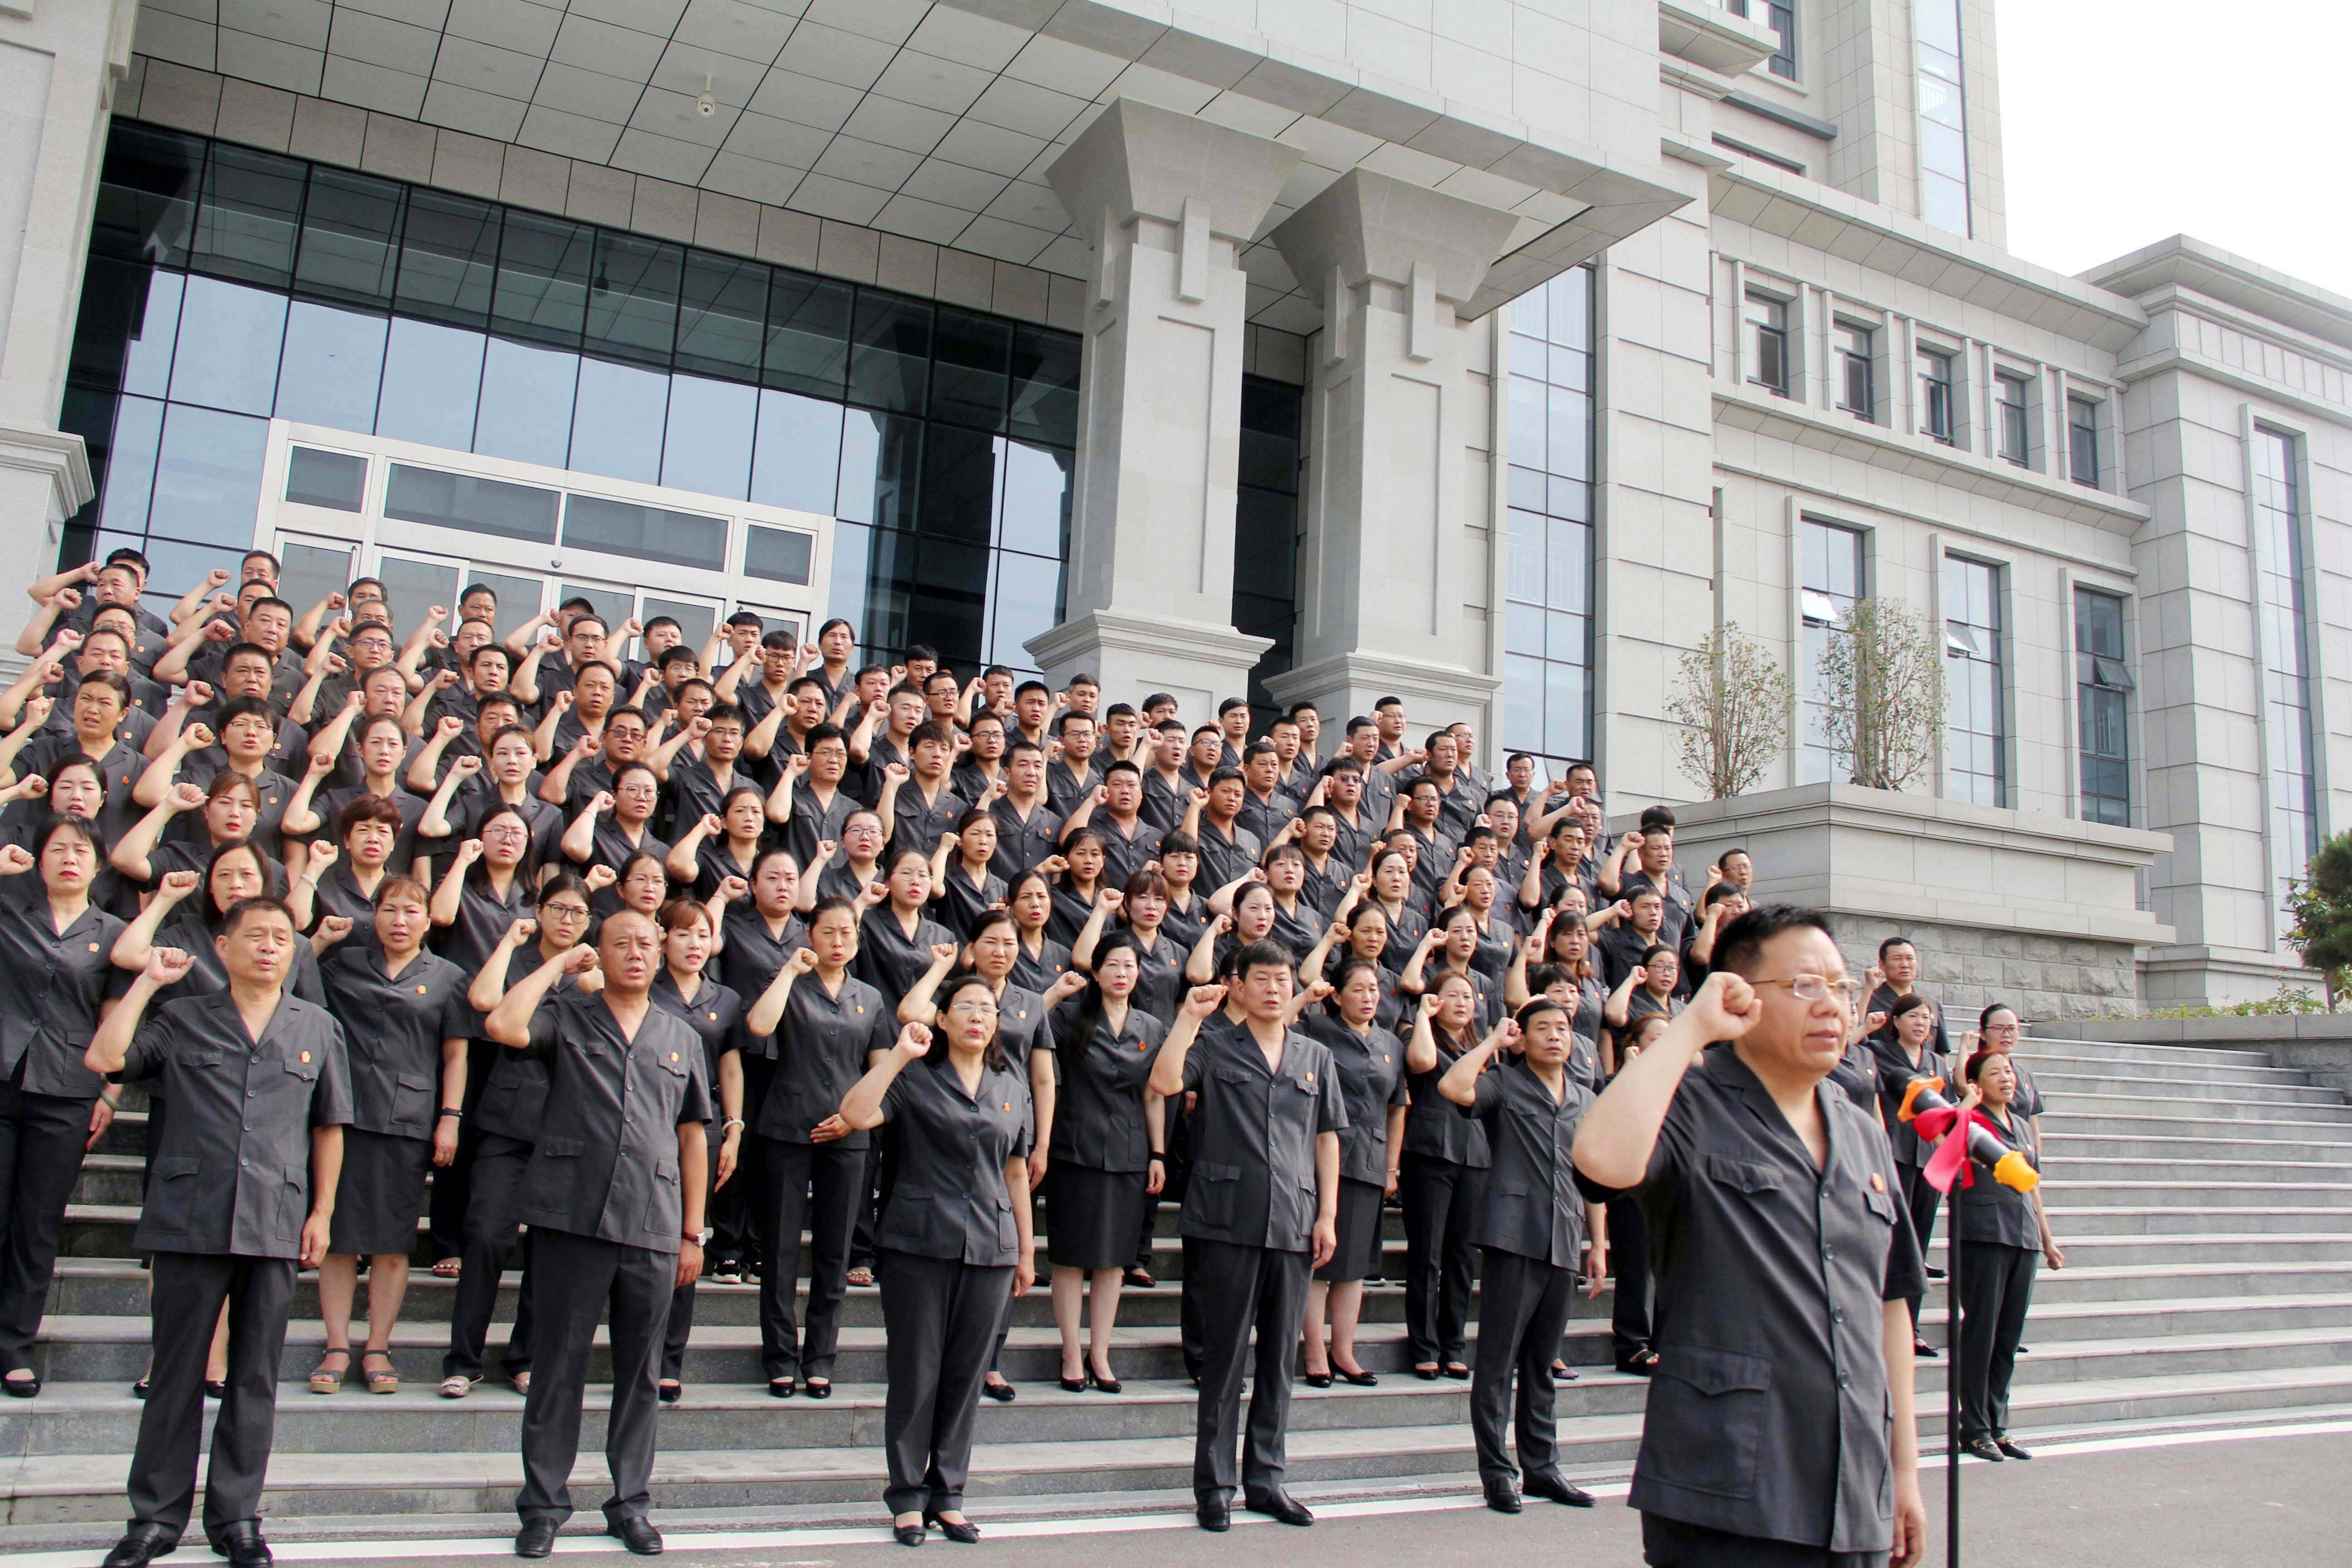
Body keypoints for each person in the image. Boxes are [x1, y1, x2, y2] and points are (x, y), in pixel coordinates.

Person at [1571, 905, 1928, 1568]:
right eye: (1804, 986)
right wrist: (1689, 1031)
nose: (1832, 1006)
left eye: (1841, 988)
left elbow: (1890, 1307)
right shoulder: (1690, 1105)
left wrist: (1903, 1471)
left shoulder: (1863, 1133)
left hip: (1855, 1492)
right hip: (1728, 1493)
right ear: (1739, 997)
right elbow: (1600, 1160)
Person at [86, 901, 350, 1568]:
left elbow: (329, 1127)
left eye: (281, 939)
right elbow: (105, 1055)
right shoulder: (182, 1017)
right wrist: (148, 981)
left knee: (255, 1378)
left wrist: (321, 1213)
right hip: (189, 1217)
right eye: (255, 936)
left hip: (273, 1220)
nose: (269, 947)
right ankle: (153, 1520)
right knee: (175, 1374)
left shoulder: (317, 1026)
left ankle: (237, 1519)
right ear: (223, 946)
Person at [483, 910, 712, 1559]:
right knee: (558, 1366)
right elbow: (502, 1024)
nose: (636, 954)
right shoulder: (567, 1017)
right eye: (621, 944)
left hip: (652, 1222)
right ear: (600, 954)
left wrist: (693, 1232)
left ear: (663, 951)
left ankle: (630, 1504)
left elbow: (694, 1135)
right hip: (571, 1218)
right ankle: (544, 1506)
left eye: (646, 943)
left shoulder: (681, 1036)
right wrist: (557, 964)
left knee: (640, 1373)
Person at [1147, 943, 1345, 1533]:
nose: (1275, 989)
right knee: (1225, 1361)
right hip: (1226, 1220)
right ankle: (1214, 1486)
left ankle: (1266, 1480)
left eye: (1283, 979)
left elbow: (1327, 1138)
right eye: (1261, 979)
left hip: (1292, 1220)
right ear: (1237, 986)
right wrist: (1188, 1016)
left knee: (1281, 1359)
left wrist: (1328, 1214)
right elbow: (1162, 1080)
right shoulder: (1212, 1045)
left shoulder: (1314, 1055)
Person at [838, 983, 1037, 1547]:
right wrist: (901, 1053)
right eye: (966, 1008)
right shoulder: (917, 1078)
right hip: (918, 1242)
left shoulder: (1010, 1083)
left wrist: (1025, 1250)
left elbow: (1016, 1171)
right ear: (943, 1020)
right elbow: (854, 1114)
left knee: (966, 1376)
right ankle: (906, 1498)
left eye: (988, 1010)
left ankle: (948, 1494)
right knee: (916, 1371)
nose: (979, 1018)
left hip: (991, 1246)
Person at [1438, 997, 1607, 1513]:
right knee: (1497, 1364)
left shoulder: (1583, 1095)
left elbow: (1593, 1175)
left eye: (1563, 1028)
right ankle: (1497, 1473)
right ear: (1524, 1036)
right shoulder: (1505, 1082)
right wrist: (1492, 1043)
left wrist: (1597, 1243)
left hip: (1565, 1237)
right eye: (1543, 1028)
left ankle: (1543, 1467)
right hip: (1514, 1236)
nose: (1555, 1036)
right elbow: (1453, 1087)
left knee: (1542, 1363)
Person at [308, 877, 472, 1396]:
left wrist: (450, 1116)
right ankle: (336, 1344)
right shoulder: (344, 965)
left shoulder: (448, 977)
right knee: (337, 1236)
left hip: (408, 1120)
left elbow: (455, 1054)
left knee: (393, 1242)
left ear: (429, 920)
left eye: (411, 911)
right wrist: (317, 941)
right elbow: (294, 984)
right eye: (390, 910)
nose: (400, 920)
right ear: (374, 915)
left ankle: (378, 1345)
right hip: (344, 1113)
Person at [441, 875, 598, 1399]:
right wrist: (510, 940)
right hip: (506, 1121)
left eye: (578, 912)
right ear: (540, 910)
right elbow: (484, 1002)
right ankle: (463, 1358)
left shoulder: (593, 977)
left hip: (566, 1128)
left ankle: (525, 1355)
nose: (568, 920)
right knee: (487, 1235)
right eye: (558, 908)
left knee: (548, 1251)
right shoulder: (519, 959)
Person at [0, 818, 129, 1395]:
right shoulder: (9, 913)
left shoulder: (113, 932)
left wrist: (110, 1091)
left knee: (37, 1224)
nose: (69, 859)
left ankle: (14, 1347)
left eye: (81, 851)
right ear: (38, 859)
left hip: (67, 1090)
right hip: (3, 1076)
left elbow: (115, 1017)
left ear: (98, 865)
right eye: (57, 849)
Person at [745, 896, 891, 1400]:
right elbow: (760, 1026)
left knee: (834, 1252)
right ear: (809, 937)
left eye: (846, 932)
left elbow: (885, 1073)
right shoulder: (790, 985)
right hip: (787, 1128)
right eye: (826, 932)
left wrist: (856, 1120)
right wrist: (787, 971)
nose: (837, 941)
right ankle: (780, 1358)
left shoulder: (870, 999)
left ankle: (821, 1358)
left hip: (848, 1138)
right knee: (782, 1250)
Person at [1044, 931, 1166, 1393]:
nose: (1121, 973)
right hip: (1074, 1148)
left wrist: (1157, 1152)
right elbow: (1017, 1027)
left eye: (1129, 965)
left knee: (1115, 1262)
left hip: (1129, 1153)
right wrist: (1055, 992)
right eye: (1112, 965)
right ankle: (1071, 1352)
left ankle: (1101, 1352)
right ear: (1096, 971)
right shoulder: (1070, 1016)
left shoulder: (1152, 1028)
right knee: (1072, 1258)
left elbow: (1154, 1095)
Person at [647, 900, 748, 1405]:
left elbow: (730, 1068)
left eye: (702, 935)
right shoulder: (645, 986)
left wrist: (733, 1128)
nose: (693, 944)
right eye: (683, 935)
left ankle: (669, 1360)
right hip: (644, 1122)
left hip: (701, 1130)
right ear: (663, 939)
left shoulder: (725, 999)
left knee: (688, 1240)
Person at [1297, 958, 1406, 1387]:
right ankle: (1314, 1351)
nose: (1367, 997)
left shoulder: (1390, 1044)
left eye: (1373, 989)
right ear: (1338, 996)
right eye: (1357, 990)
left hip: (1370, 1163)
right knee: (1320, 1261)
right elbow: (1275, 1027)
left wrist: (1392, 1165)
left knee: (1354, 1265)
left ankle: (1344, 1349)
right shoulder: (1317, 1029)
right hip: (1322, 1157)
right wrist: (1308, 997)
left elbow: (1397, 1108)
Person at [1951, 1047, 2064, 1463]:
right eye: (1995, 1073)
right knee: (1981, 1332)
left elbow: (2031, 1182)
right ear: (1978, 1082)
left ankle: (1998, 1426)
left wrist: (2047, 1239)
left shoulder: (2019, 1122)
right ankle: (1973, 1428)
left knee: (2007, 1338)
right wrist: (1967, 1100)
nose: (2007, 1078)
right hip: (1983, 1233)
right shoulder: (1969, 1118)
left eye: (2009, 1072)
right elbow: (1948, 1141)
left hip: (2023, 1235)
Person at [1399, 973, 1498, 1381]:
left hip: (1474, 1155)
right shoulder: (1420, 1035)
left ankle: (1453, 1343)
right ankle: (1424, 1346)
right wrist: (1423, 1013)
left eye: (1468, 996)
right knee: (1427, 1254)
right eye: (1451, 996)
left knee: (1461, 1257)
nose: (1462, 1002)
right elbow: (1421, 1063)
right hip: (1429, 1152)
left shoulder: (1483, 1048)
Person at [1871, 992, 1947, 1354]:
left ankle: (1911, 1329)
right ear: (1896, 1021)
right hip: (1896, 1153)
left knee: (1919, 1244)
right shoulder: (1880, 1052)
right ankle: (1880, 1324)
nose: (1921, 1022)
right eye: (1913, 1016)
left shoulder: (1937, 1062)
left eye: (1927, 1017)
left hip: (1929, 1159)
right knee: (1893, 1239)